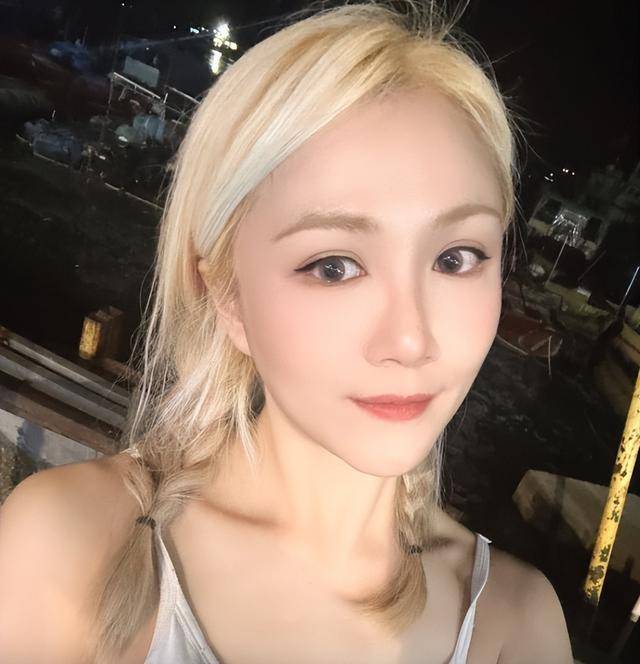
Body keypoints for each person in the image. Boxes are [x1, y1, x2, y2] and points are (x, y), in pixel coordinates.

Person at [0, 2, 574, 663]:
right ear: (226, 294)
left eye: (455, 258)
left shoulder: (517, 626)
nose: (411, 341)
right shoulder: (68, 552)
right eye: (334, 266)